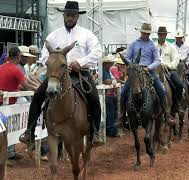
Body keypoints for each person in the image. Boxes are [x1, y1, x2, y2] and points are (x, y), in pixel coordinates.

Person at [19, 1, 104, 147]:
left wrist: (80, 62)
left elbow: (97, 53)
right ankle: (29, 132)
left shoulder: (87, 35)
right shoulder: (53, 35)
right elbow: (45, 56)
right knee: (38, 96)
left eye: (73, 15)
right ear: (63, 15)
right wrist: (58, 64)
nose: (70, 18)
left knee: (94, 99)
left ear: (77, 16)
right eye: (67, 15)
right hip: (56, 74)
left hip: (80, 73)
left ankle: (95, 133)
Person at [115, 23, 176, 127]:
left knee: (161, 90)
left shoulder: (152, 45)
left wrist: (148, 67)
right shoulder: (134, 44)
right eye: (144, 33)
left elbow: (157, 60)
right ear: (141, 32)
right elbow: (126, 56)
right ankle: (121, 117)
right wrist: (132, 65)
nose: (146, 35)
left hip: (149, 71)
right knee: (124, 92)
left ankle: (166, 115)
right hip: (135, 71)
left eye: (148, 34)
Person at [0, 47, 38, 162]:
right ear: (17, 57)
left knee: (8, 129)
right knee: (10, 129)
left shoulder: (1, 67)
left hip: (6, 102)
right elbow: (26, 85)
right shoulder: (15, 69)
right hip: (8, 104)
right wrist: (38, 91)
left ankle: (10, 153)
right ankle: (6, 155)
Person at [156, 26, 184, 112]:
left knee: (179, 85)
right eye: (160, 34)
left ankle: (177, 104)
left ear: (166, 35)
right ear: (158, 35)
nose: (162, 36)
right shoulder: (153, 46)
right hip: (155, 70)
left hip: (169, 70)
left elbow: (175, 60)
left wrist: (167, 65)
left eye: (164, 34)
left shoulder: (171, 47)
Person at [102, 54, 119, 137]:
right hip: (107, 95)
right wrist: (113, 82)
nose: (110, 65)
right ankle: (110, 130)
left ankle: (111, 130)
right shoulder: (103, 70)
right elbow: (108, 81)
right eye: (109, 63)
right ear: (105, 63)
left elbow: (112, 80)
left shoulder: (107, 71)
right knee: (110, 113)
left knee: (111, 112)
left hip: (109, 94)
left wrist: (113, 81)